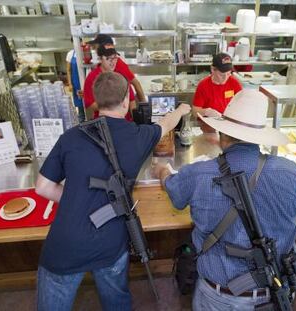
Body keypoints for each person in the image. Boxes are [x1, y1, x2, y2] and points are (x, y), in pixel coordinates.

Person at [35, 71, 191, 311]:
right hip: (111, 240)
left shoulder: (71, 136)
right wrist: (181, 110)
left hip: (65, 244)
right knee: (116, 301)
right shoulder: (140, 135)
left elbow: (43, 187)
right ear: (127, 100)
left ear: (96, 102)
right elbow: (166, 123)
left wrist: (79, 199)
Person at [154, 89, 296, 311]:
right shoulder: (291, 171)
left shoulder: (199, 173)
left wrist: (163, 172)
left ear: (223, 135)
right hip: (276, 288)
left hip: (219, 295)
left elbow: (175, 193)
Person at [87, 34, 146, 102]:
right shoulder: (100, 64)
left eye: (97, 48)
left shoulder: (118, 64)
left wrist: (144, 104)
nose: (95, 51)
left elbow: (136, 83)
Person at [83, 46, 136, 121]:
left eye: (115, 58)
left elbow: (131, 100)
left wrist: (135, 119)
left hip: (124, 121)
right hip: (104, 122)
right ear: (100, 59)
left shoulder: (121, 74)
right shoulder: (92, 78)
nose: (113, 62)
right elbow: (90, 105)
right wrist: (114, 104)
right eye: (108, 58)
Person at [192, 53, 242, 118]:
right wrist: (206, 112)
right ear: (212, 69)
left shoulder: (234, 83)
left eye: (228, 73)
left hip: (227, 120)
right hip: (209, 121)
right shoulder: (203, 85)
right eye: (221, 75)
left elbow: (241, 103)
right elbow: (195, 111)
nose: (225, 78)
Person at [66, 48, 85, 122]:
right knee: (80, 104)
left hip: (86, 81)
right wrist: (70, 83)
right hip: (76, 82)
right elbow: (68, 70)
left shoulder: (86, 52)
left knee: (89, 102)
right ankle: (81, 120)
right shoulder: (71, 54)